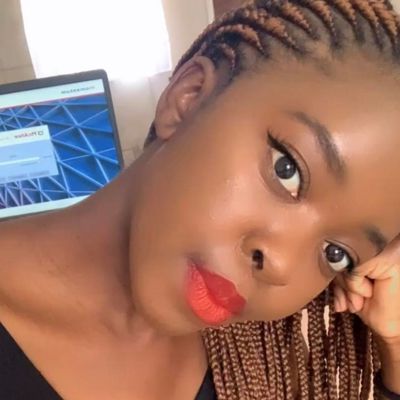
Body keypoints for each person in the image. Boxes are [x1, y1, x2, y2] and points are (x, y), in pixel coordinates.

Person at [0, 0, 399, 398]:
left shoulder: (255, 363)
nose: (281, 266)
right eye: (286, 170)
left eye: (335, 254)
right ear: (188, 97)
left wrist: (396, 346)